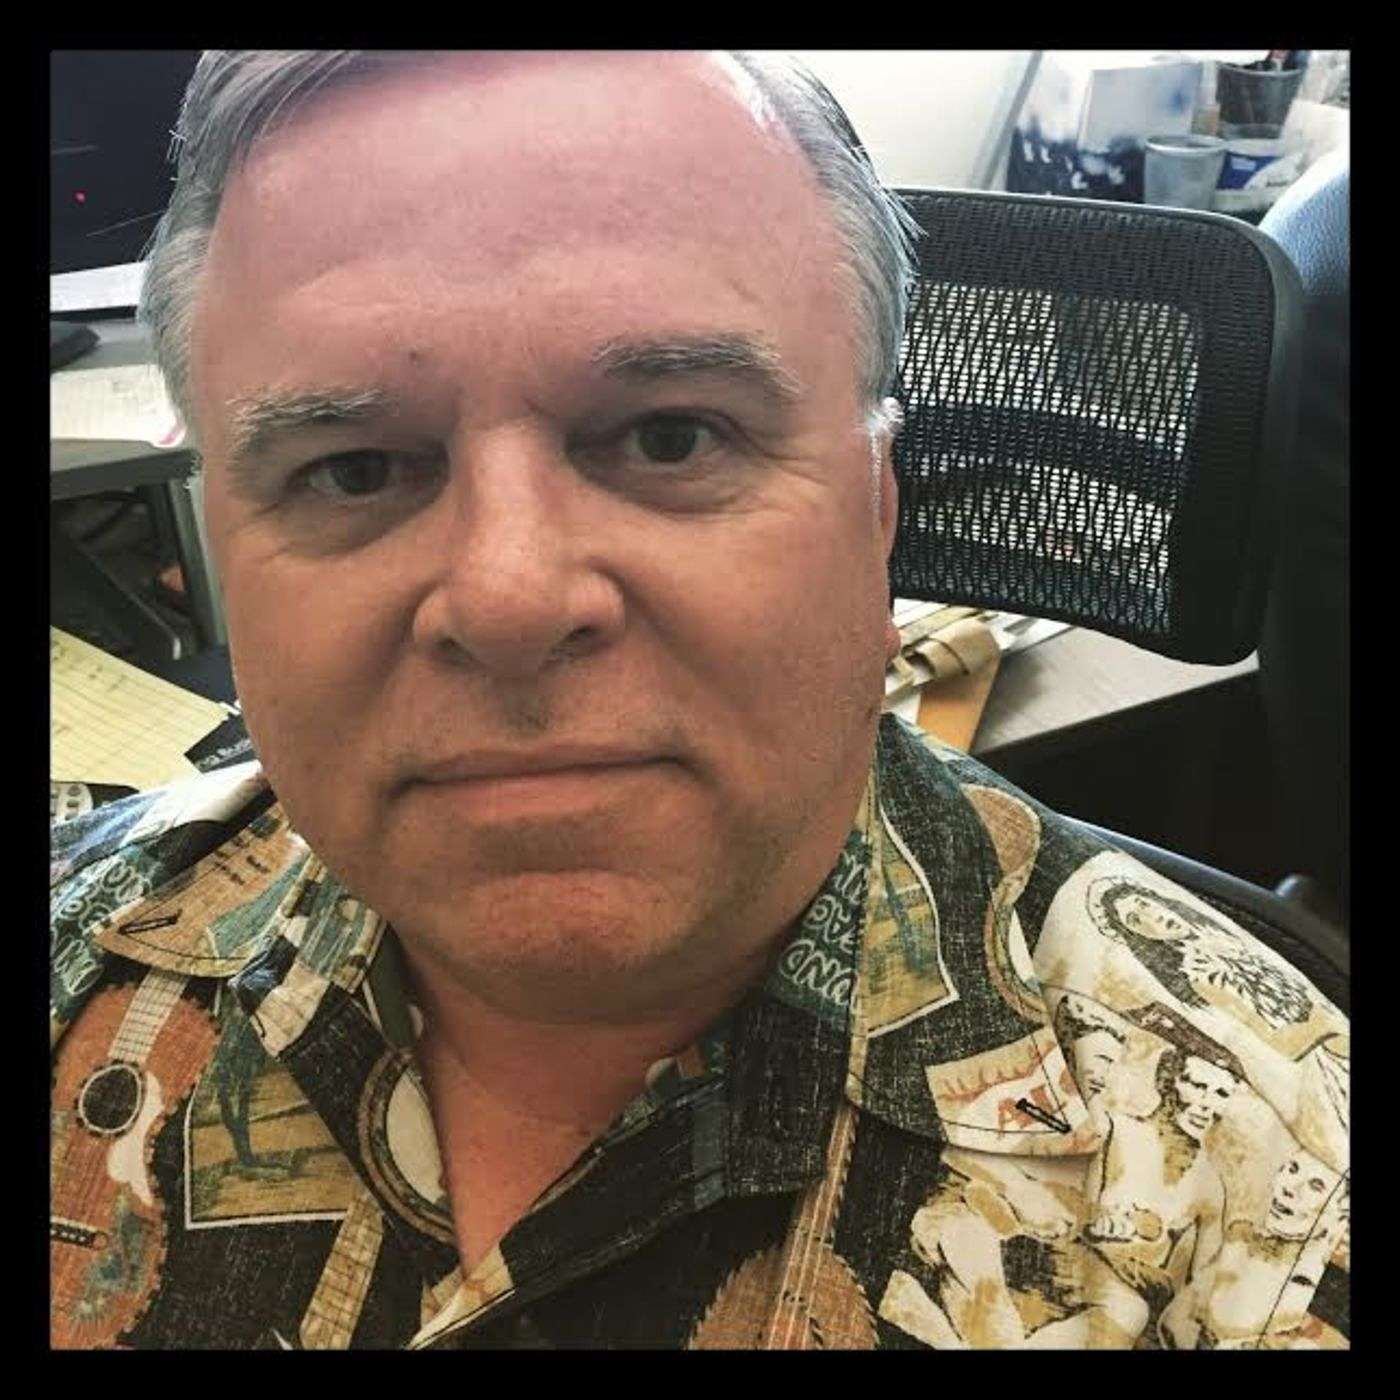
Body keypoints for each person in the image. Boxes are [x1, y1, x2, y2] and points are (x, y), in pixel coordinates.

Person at [50, 50, 1349, 1350]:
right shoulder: (75, 949)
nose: (509, 597)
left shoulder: (1277, 1195)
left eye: (670, 436)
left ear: (877, 512)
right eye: (355, 469)